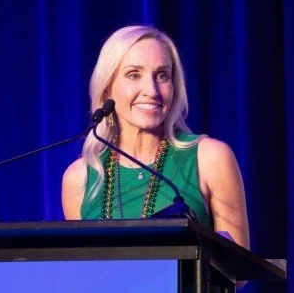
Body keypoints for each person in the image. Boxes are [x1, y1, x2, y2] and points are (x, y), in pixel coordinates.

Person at [62, 25, 250, 255]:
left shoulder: (210, 158)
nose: (151, 90)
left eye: (162, 76)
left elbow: (238, 271)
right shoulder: (79, 177)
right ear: (106, 91)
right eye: (134, 75)